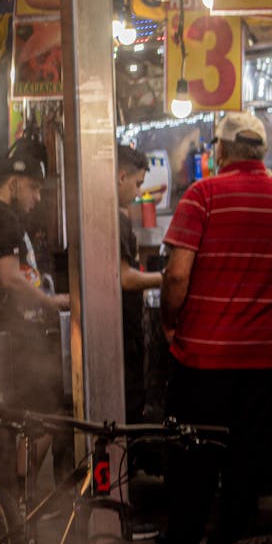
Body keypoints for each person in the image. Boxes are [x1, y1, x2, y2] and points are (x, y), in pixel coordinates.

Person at [159, 110, 272, 544]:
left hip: (201, 361)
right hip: (262, 365)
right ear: (262, 154)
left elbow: (176, 275)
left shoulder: (202, 196)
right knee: (244, 471)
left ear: (222, 151)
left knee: (192, 466)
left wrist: (171, 322)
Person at [0, 137, 71, 481]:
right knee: (47, 416)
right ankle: (15, 498)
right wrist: (51, 302)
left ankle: (13, 502)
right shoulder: (0, 217)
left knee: (31, 418)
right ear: (13, 183)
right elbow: (9, 278)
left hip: (2, 337)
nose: (37, 198)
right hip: (13, 339)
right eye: (33, 189)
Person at [117, 144, 163, 424]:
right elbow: (125, 277)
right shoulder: (114, 219)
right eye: (137, 184)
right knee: (128, 408)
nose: (137, 193)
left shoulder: (111, 215)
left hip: (123, 329)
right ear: (121, 177)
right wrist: (167, 278)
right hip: (121, 332)